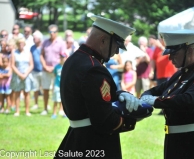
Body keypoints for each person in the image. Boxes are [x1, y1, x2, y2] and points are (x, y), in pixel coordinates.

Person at [55, 15, 141, 159]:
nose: (116, 52)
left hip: (76, 138)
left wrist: (117, 94)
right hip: (94, 142)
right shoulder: (94, 68)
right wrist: (134, 117)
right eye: (116, 45)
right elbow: (105, 121)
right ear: (103, 40)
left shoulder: (74, 60)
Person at [131, 29, 194, 159]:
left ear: (189, 51)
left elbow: (188, 101)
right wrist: (144, 98)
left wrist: (156, 101)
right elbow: (155, 90)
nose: (170, 58)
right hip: (174, 143)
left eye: (174, 53)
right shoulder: (180, 75)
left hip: (193, 146)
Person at [40, 24, 66, 115]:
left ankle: (61, 109)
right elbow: (41, 55)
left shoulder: (61, 43)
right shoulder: (45, 42)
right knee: (45, 89)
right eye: (50, 32)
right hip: (46, 69)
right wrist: (45, 66)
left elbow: (63, 56)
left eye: (54, 32)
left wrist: (55, 67)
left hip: (57, 70)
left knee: (59, 89)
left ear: (57, 33)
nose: (52, 33)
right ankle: (45, 108)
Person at [11, 38, 34, 116]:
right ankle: (17, 111)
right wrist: (20, 74)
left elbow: (31, 65)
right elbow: (12, 65)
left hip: (26, 75)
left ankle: (27, 111)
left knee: (27, 93)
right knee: (17, 93)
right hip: (17, 75)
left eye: (22, 43)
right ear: (17, 44)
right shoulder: (14, 53)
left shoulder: (28, 53)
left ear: (24, 44)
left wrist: (25, 74)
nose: (21, 44)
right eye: (19, 43)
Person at [51, 52, 67, 119]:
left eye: (63, 57)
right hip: (57, 85)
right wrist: (53, 86)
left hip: (64, 86)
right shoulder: (57, 67)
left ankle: (64, 113)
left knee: (64, 101)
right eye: (61, 57)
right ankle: (54, 113)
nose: (62, 58)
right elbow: (54, 76)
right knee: (56, 100)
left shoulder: (67, 66)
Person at [30, 30, 43, 110]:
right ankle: (36, 103)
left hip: (43, 70)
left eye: (35, 38)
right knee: (35, 88)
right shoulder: (32, 47)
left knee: (45, 89)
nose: (33, 39)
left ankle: (46, 104)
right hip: (35, 71)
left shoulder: (43, 47)